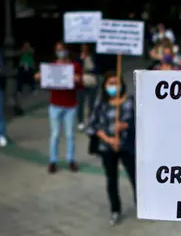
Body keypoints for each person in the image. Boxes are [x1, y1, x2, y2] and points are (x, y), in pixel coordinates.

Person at [85, 73, 136, 225]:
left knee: (135, 176)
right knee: (111, 179)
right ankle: (115, 209)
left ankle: (141, 203)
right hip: (107, 147)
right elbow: (92, 126)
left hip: (126, 146)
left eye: (116, 83)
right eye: (111, 83)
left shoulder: (130, 102)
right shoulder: (101, 104)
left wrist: (125, 125)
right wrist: (108, 139)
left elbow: (140, 121)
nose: (114, 87)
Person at [34, 41, 83, 173]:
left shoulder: (75, 66)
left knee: (70, 135)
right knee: (55, 134)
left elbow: (80, 86)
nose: (60, 52)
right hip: (55, 105)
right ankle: (53, 161)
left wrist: (77, 80)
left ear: (67, 50)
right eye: (58, 50)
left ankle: (71, 160)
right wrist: (41, 77)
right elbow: (48, 86)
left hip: (70, 105)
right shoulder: (52, 66)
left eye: (62, 49)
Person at [77, 43, 99, 130]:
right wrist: (81, 59)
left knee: (91, 103)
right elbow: (77, 68)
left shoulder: (94, 56)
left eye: (85, 47)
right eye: (82, 47)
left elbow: (97, 69)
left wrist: (89, 70)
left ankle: (91, 121)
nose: (84, 49)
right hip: (82, 83)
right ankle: (81, 121)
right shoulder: (78, 57)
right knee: (80, 103)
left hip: (92, 82)